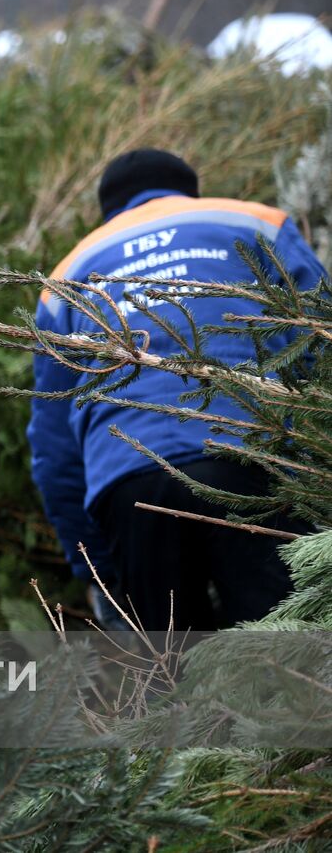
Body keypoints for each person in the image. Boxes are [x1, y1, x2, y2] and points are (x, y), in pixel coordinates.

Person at [29, 149, 325, 630]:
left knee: (171, 681)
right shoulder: (257, 221)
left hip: (129, 483)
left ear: (110, 211)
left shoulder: (65, 275)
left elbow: (54, 448)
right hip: (252, 455)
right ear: (188, 188)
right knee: (288, 662)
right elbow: (321, 338)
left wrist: (101, 575)